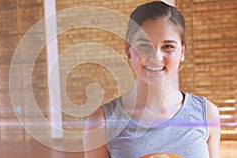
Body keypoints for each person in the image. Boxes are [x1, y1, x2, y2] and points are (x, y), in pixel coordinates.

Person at [83, 1, 220, 158]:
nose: (156, 57)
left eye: (168, 46)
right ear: (128, 49)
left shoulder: (206, 114)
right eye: (144, 46)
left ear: (182, 51)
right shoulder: (102, 122)